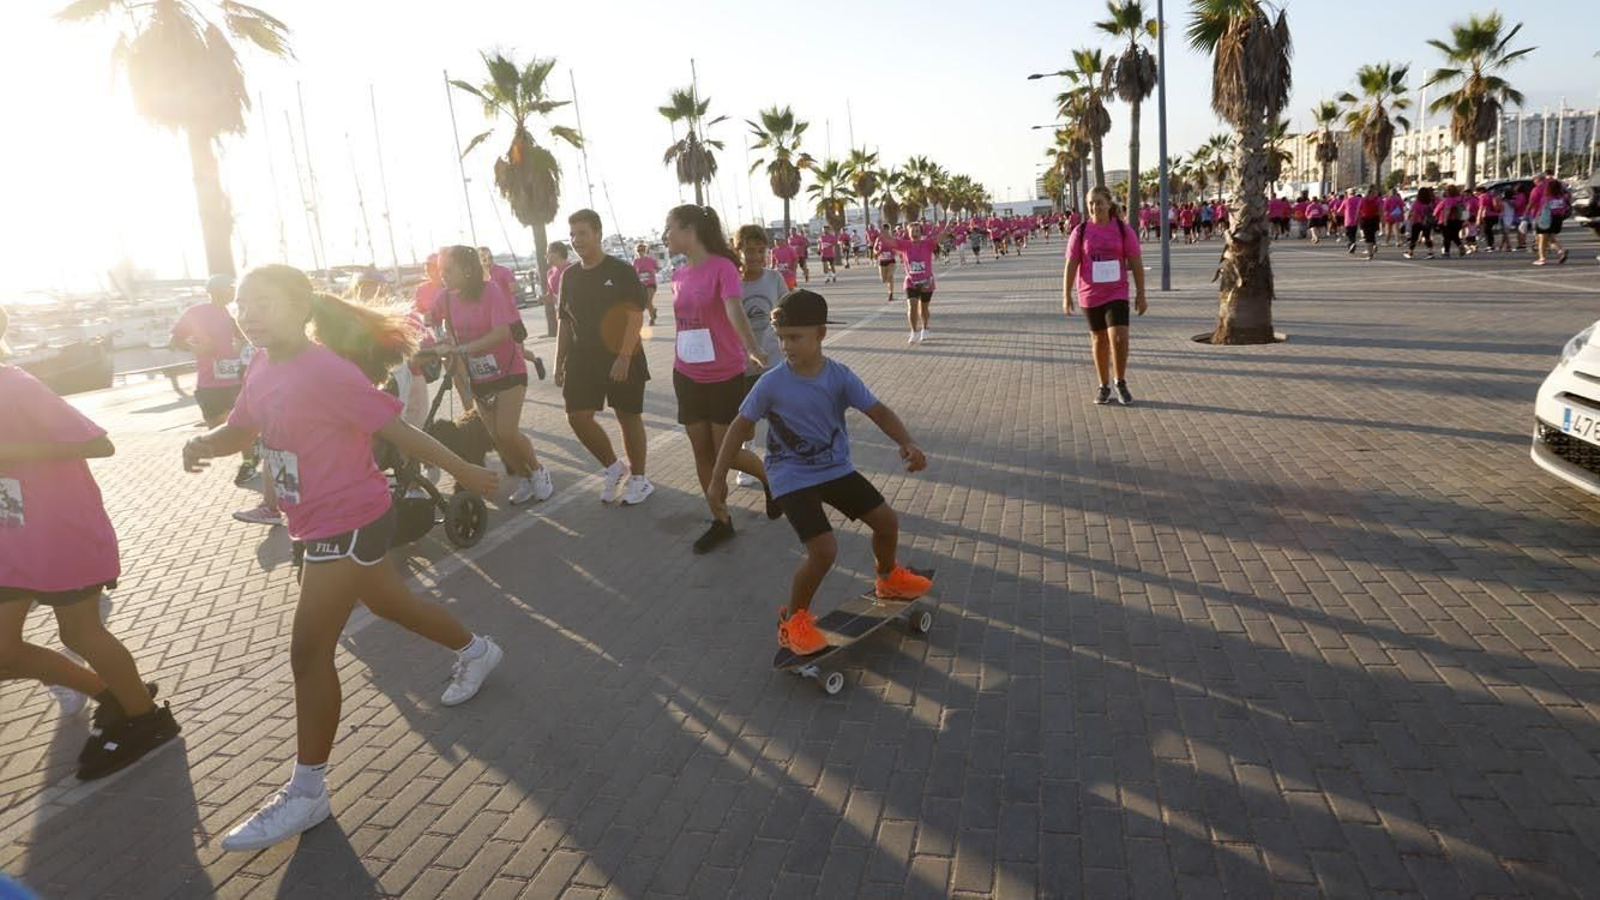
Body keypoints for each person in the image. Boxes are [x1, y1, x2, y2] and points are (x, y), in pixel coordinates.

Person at [182, 264, 504, 852]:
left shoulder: (325, 371)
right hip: (314, 522)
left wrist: (464, 471)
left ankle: (307, 793)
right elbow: (240, 427)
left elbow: (401, 432)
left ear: (301, 306)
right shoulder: (260, 364)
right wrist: (205, 443)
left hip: (349, 521)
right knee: (391, 603)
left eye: (266, 303)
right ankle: (477, 651)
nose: (250, 315)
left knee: (307, 654)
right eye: (245, 305)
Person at [1, 306, 178, 781]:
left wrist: (10, 453)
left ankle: (146, 718)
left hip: (59, 531)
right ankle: (114, 691)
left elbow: (100, 443)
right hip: (10, 538)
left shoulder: (12, 383)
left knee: (78, 632)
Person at [706, 289, 932, 655]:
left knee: (887, 522)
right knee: (824, 551)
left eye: (794, 337)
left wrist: (906, 442)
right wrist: (717, 482)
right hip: (790, 476)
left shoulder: (839, 376)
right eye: (780, 338)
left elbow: (878, 411)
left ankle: (888, 578)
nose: (786, 345)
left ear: (820, 334)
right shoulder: (771, 383)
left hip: (834, 469)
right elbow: (737, 427)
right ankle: (792, 621)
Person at [663, 204, 778, 554]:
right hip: (686, 373)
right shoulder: (679, 275)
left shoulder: (723, 267)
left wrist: (753, 348)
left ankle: (770, 479)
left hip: (724, 374)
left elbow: (733, 308)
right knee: (702, 452)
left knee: (722, 454)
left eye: (669, 228)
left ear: (689, 229)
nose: (665, 235)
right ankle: (721, 520)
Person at [433, 245, 554, 505]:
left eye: (448, 269)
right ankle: (525, 477)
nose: (442, 275)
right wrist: (438, 340)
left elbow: (501, 333)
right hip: (480, 378)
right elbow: (429, 320)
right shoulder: (444, 298)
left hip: (508, 369)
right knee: (497, 437)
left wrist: (460, 348)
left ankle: (539, 471)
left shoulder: (490, 291)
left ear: (467, 269)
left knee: (507, 432)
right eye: (440, 269)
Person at [555, 210, 654, 505]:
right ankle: (614, 467)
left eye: (582, 233)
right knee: (577, 416)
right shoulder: (569, 276)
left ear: (597, 233)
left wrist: (624, 357)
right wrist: (559, 361)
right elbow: (564, 321)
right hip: (582, 357)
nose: (576, 240)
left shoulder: (621, 270)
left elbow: (635, 316)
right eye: (572, 235)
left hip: (621, 353)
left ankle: (639, 479)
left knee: (627, 416)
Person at [169, 275, 277, 521]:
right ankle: (253, 451)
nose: (230, 293)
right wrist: (196, 348)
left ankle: (249, 463)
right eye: (226, 289)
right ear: (214, 291)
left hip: (236, 379)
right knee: (216, 425)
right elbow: (173, 341)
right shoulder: (195, 312)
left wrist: (242, 351)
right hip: (209, 380)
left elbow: (248, 337)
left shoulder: (236, 311)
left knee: (240, 424)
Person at [1063, 186, 1147, 406]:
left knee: (1119, 337)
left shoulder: (1122, 229)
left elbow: (1136, 262)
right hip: (1090, 294)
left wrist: (1141, 294)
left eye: (1099, 202)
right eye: (1091, 203)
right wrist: (1066, 295)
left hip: (1117, 291)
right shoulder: (1080, 231)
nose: (1094, 207)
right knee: (1099, 339)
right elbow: (1071, 265)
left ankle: (1120, 381)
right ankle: (1104, 385)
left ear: (1109, 204)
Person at [733, 224, 786, 489]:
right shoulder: (730, 281)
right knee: (747, 416)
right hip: (740, 363)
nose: (755, 256)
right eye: (749, 250)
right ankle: (748, 454)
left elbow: (785, 311)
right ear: (738, 250)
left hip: (773, 360)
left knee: (780, 413)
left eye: (760, 250)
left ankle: (780, 459)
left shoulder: (774, 278)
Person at [880, 221, 948, 344]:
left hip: (927, 282)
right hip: (911, 282)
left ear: (920, 232)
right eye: (912, 231)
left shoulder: (927, 244)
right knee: (912, 306)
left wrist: (948, 226)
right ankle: (913, 331)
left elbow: (940, 237)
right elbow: (889, 240)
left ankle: (925, 328)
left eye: (917, 231)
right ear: (908, 233)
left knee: (924, 308)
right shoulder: (904, 245)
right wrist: (882, 229)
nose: (915, 233)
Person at [1529, 172, 1570, 266]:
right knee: (1551, 238)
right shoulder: (1561, 198)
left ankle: (1542, 258)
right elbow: (1564, 209)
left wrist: (1536, 218)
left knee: (1542, 239)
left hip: (1546, 219)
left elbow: (1542, 209)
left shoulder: (1546, 197)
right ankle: (1560, 251)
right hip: (1557, 219)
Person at [1434, 185, 1467, 259]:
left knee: (1446, 237)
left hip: (1448, 221)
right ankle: (1460, 246)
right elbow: (1465, 210)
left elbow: (1447, 210)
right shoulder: (1460, 199)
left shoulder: (1449, 199)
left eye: (1446, 190)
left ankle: (1446, 252)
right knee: (1454, 235)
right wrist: (1465, 220)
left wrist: (1445, 221)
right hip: (1458, 221)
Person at [632, 242, 661, 325]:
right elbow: (633, 272)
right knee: (645, 304)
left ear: (645, 250)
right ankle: (653, 310)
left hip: (651, 283)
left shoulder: (651, 260)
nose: (640, 251)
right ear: (636, 251)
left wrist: (653, 270)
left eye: (642, 250)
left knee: (648, 301)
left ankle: (652, 320)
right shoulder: (635, 261)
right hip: (641, 285)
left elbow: (657, 269)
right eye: (639, 250)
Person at [1404, 187, 1437, 259]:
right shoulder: (1430, 202)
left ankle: (1410, 252)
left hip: (1417, 222)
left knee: (1414, 238)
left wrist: (1410, 218)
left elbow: (1414, 212)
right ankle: (1430, 252)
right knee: (1427, 237)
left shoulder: (1417, 203)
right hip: (1427, 222)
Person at [1356, 186, 1382, 260]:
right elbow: (1380, 211)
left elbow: (1358, 210)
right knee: (1371, 235)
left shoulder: (1363, 200)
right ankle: (1373, 246)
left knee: (1368, 237)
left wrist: (1356, 219)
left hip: (1366, 219)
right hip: (1374, 219)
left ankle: (1370, 253)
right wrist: (1382, 220)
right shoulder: (1377, 200)